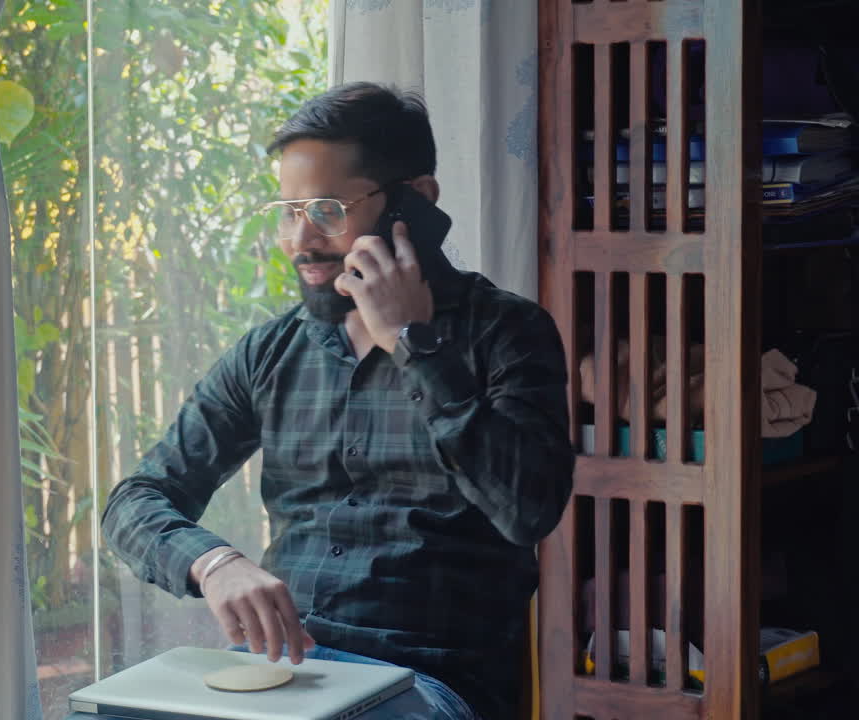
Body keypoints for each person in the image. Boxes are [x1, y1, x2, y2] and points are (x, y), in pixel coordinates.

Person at [98, 82, 575, 720]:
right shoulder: (269, 353)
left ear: (417, 200)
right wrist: (213, 564)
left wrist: (415, 344)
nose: (301, 240)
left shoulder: (507, 335)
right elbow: (135, 500)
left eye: (325, 208)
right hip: (282, 672)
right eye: (289, 210)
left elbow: (529, 511)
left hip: (427, 683)